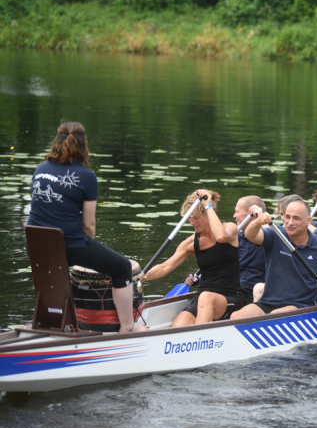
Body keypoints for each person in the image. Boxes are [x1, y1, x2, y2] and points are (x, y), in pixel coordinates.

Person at [26, 121, 147, 333]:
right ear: (83, 146)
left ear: (56, 142)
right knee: (122, 268)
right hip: (69, 246)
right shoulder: (86, 176)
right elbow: (89, 225)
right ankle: (128, 326)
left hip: (35, 245)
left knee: (56, 271)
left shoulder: (40, 169)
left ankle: (46, 320)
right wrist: (88, 250)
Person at [143, 189, 244, 327]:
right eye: (189, 217)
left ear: (208, 213)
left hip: (229, 299)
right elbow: (165, 267)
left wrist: (208, 205)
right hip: (201, 299)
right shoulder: (190, 243)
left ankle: (201, 334)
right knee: (178, 326)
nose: (192, 222)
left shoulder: (229, 228)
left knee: (206, 297)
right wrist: (140, 276)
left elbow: (221, 237)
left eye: (195, 217)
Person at [230, 200, 317, 319]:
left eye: (296, 218)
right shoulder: (275, 234)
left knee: (274, 317)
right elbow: (250, 235)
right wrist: (258, 222)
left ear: (308, 221)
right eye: (287, 217)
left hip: (300, 305)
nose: (290, 223)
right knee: (236, 316)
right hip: (268, 301)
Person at [231, 195, 267, 305]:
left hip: (254, 292)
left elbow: (276, 240)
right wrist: (198, 278)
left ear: (251, 214)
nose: (234, 215)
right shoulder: (237, 238)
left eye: (237, 212)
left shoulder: (272, 235)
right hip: (234, 289)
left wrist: (261, 218)